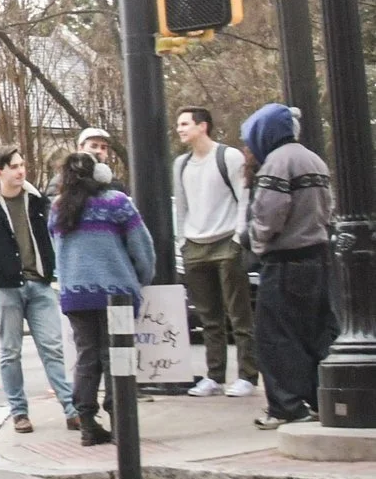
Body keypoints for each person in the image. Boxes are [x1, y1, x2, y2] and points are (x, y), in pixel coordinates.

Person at [0, 147, 79, 433]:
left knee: (52, 348)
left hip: (39, 284)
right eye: (14, 166)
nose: (21, 170)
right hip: (5, 288)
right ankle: (19, 412)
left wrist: (50, 267)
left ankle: (72, 408)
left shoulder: (37, 200)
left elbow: (52, 234)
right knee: (10, 351)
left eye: (22, 164)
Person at [51, 151, 155, 447]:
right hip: (116, 295)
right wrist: (140, 279)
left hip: (75, 294)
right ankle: (121, 421)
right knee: (116, 358)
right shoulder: (117, 202)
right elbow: (142, 248)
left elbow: (56, 248)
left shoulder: (58, 208)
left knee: (87, 357)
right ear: (101, 174)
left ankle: (86, 423)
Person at [244, 103, 336, 430]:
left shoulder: (277, 163)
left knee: (275, 337)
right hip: (317, 257)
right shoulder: (314, 159)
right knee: (313, 333)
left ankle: (286, 406)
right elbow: (328, 209)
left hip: (283, 261)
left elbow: (269, 214)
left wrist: (257, 242)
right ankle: (318, 398)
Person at [172, 105, 257, 399]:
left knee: (239, 314)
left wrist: (238, 236)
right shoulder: (181, 164)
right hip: (195, 245)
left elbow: (244, 197)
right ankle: (214, 376)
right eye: (179, 124)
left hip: (226, 242)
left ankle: (247, 375)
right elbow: (181, 206)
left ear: (203, 126)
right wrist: (183, 240)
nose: (180, 129)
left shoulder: (228, 157)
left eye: (185, 124)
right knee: (209, 316)